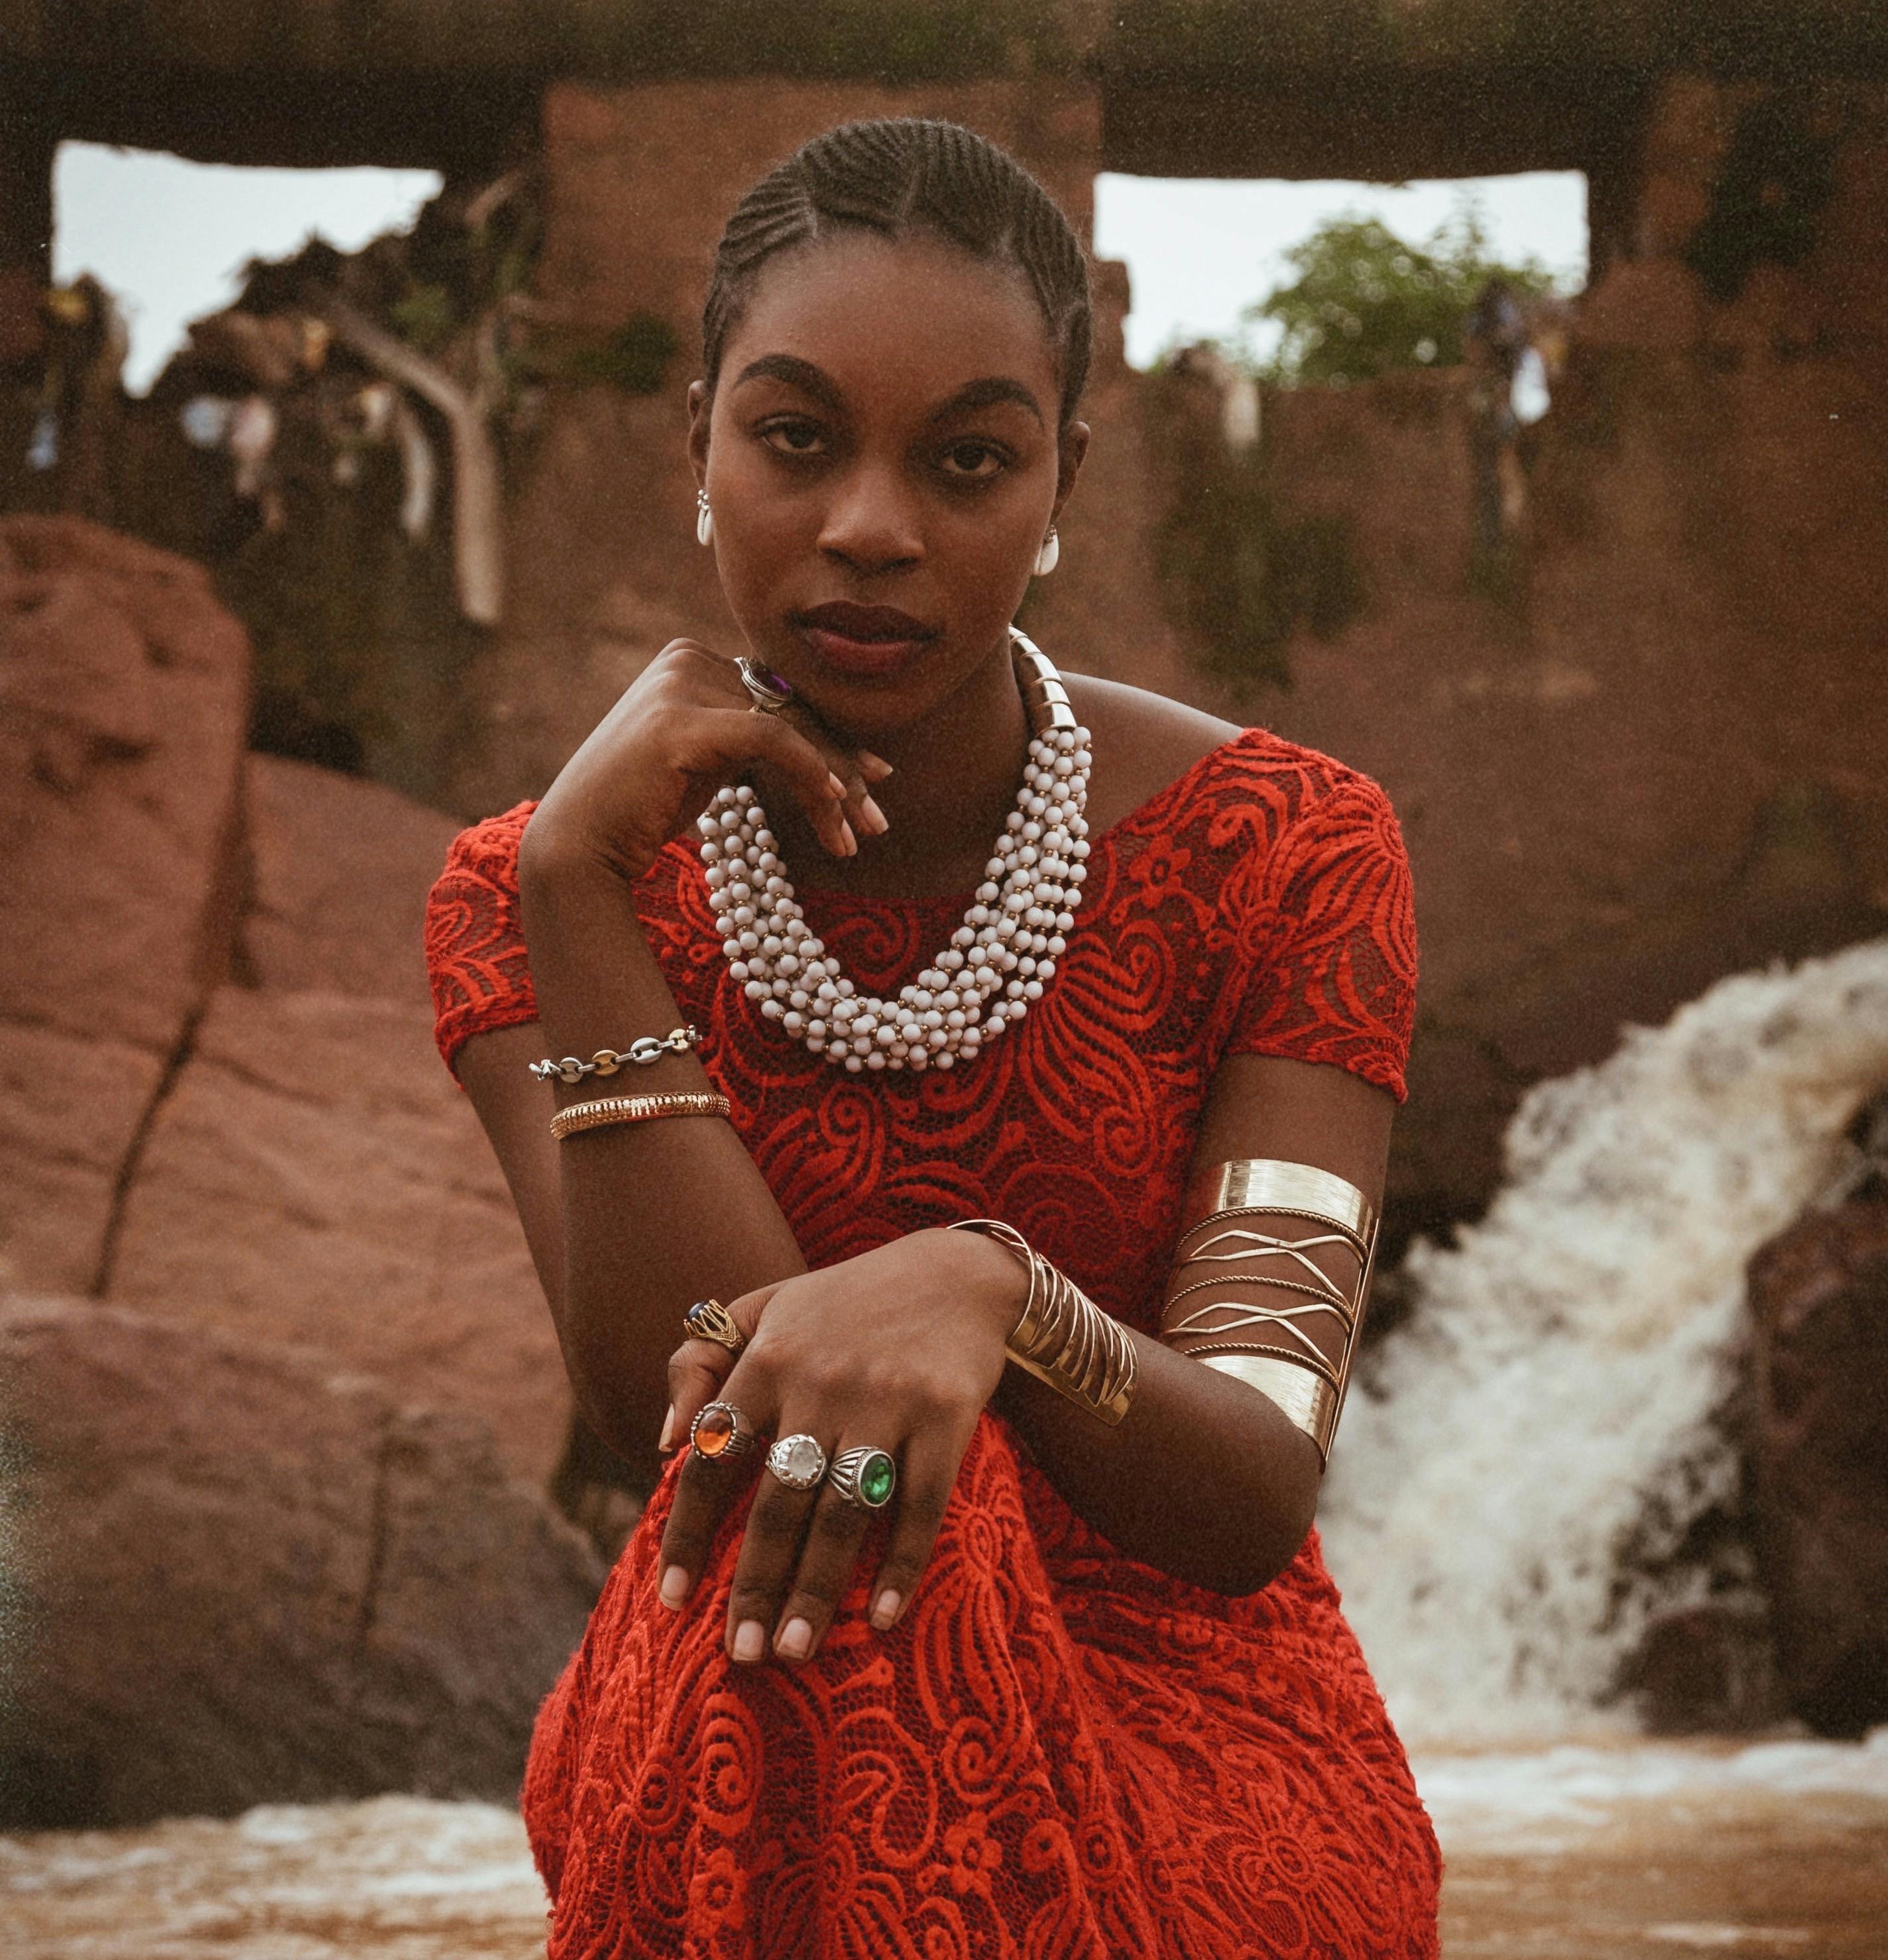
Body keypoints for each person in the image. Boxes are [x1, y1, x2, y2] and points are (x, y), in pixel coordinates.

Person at [425, 118, 1439, 1957]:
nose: (873, 526)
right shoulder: (534, 888)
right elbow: (683, 1428)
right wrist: (583, 886)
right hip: (742, 1687)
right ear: (698, 449)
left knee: (886, 1504)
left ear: (1061, 485)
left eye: (968, 459)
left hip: (1191, 1747)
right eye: (797, 439)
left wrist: (994, 1296)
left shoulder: (1288, 852)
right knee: (836, 1517)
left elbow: (1255, 1489)